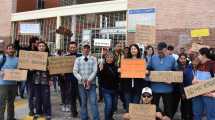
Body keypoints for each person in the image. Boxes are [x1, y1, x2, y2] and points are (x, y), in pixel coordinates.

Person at [148, 42, 176, 119]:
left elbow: (176, 72)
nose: (160, 54)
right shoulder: (153, 58)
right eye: (159, 52)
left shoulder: (172, 59)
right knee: (154, 109)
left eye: (162, 52)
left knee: (168, 109)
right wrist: (147, 72)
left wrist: (172, 76)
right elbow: (148, 69)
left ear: (166, 50)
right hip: (155, 88)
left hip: (168, 89)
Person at [73, 44, 100, 120]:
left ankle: (96, 118)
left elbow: (95, 71)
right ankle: (84, 117)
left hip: (92, 84)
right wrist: (81, 79)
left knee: (93, 102)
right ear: (82, 49)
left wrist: (89, 80)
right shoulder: (78, 59)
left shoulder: (94, 59)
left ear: (89, 50)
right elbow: (75, 71)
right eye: (84, 48)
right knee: (83, 102)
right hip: (81, 84)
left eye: (88, 48)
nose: (86, 50)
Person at [121, 44, 148, 112]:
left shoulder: (141, 61)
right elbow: (122, 73)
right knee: (128, 107)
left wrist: (146, 71)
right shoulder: (125, 61)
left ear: (138, 50)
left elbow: (146, 73)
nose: (133, 50)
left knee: (135, 107)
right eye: (132, 49)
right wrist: (120, 69)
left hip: (137, 87)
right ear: (130, 51)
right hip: (127, 87)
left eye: (135, 49)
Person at [192, 47, 215, 120]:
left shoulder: (212, 64)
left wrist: (213, 94)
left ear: (204, 55)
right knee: (196, 114)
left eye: (198, 54)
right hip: (197, 93)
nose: (197, 56)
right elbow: (195, 75)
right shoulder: (198, 64)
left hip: (208, 94)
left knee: (210, 116)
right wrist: (194, 80)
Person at [32, 41, 51, 120]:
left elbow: (53, 69)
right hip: (36, 81)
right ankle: (38, 112)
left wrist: (51, 79)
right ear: (37, 47)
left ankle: (47, 113)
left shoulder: (49, 57)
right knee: (37, 98)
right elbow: (29, 67)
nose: (41, 47)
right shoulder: (33, 57)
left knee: (46, 98)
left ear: (45, 47)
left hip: (45, 81)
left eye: (43, 46)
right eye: (40, 46)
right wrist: (31, 69)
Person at [0, 44, 18, 120]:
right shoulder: (2, 58)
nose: (11, 50)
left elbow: (20, 69)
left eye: (12, 48)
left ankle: (10, 118)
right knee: (2, 103)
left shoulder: (17, 59)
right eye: (9, 48)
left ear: (14, 50)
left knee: (11, 103)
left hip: (13, 84)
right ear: (6, 50)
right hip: (3, 84)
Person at [99, 52, 119, 120]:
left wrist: (119, 72)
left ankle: (110, 117)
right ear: (105, 58)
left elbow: (118, 79)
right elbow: (100, 78)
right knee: (109, 105)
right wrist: (100, 70)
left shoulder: (116, 67)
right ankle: (107, 118)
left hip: (115, 90)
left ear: (113, 59)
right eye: (107, 57)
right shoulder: (102, 66)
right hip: (106, 90)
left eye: (111, 57)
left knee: (113, 107)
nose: (109, 59)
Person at [64, 41, 81, 117]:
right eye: (71, 47)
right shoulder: (65, 57)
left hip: (79, 81)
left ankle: (84, 112)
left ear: (76, 47)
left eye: (74, 47)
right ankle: (74, 113)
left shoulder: (81, 57)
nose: (72, 48)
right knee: (72, 98)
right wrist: (62, 72)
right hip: (70, 81)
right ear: (68, 48)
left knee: (82, 99)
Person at [177, 53, 193, 120]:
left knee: (189, 105)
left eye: (184, 58)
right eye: (181, 58)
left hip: (189, 89)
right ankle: (183, 117)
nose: (183, 60)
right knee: (183, 105)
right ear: (179, 59)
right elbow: (179, 82)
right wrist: (182, 93)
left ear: (186, 59)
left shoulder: (190, 66)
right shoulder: (177, 67)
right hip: (180, 89)